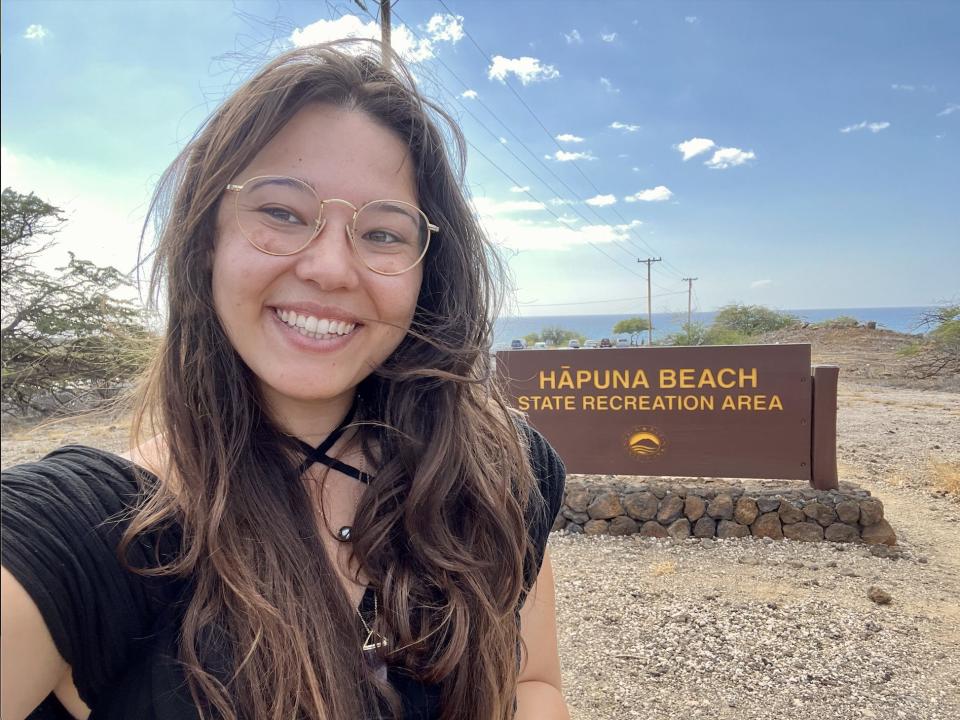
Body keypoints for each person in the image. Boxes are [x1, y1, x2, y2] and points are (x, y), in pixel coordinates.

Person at [1, 41, 568, 720]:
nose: (331, 268)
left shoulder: (495, 470)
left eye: (384, 233)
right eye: (280, 212)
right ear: (207, 237)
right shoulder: (91, 534)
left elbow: (532, 684)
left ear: (427, 274)